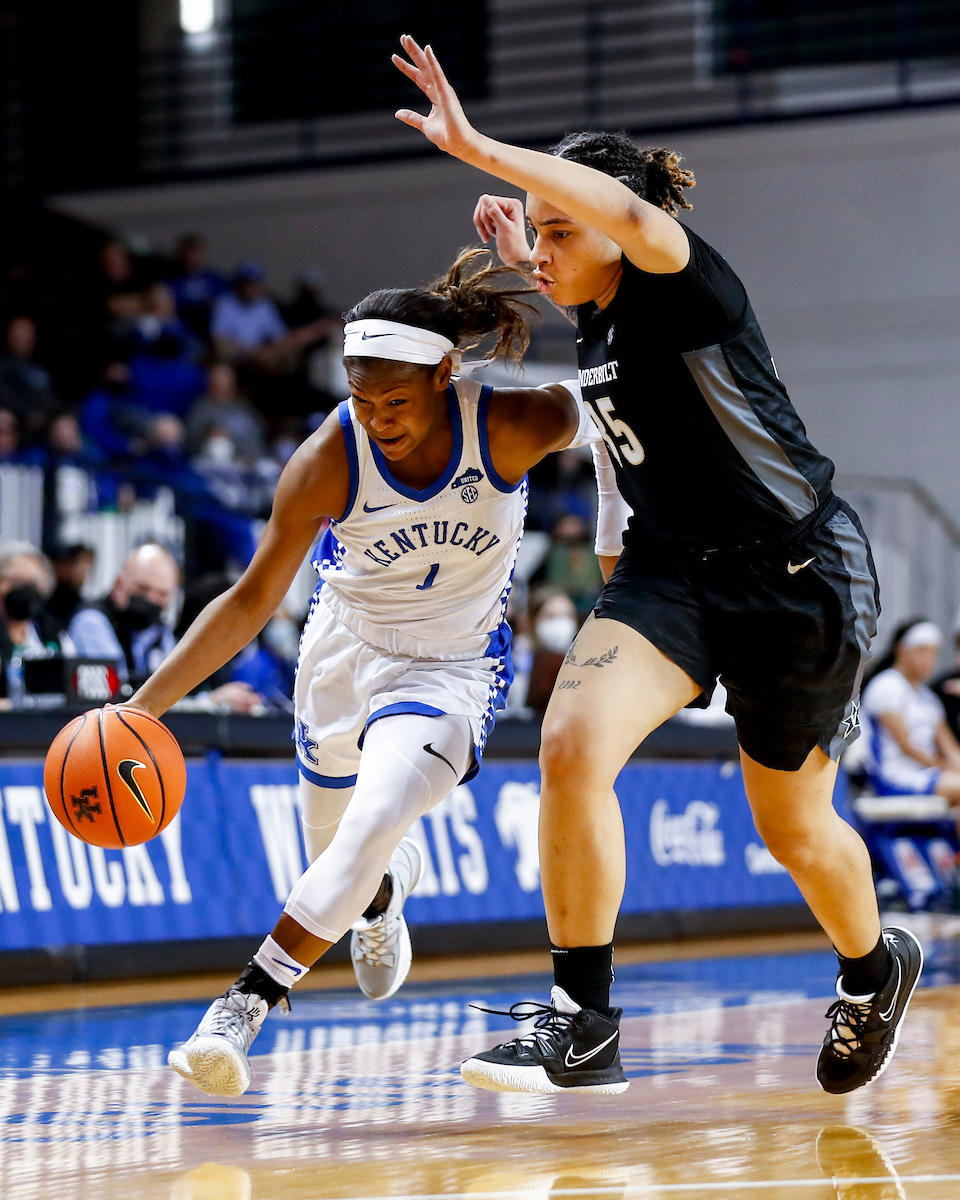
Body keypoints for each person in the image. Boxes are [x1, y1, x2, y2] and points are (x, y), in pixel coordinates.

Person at [390, 34, 922, 1097]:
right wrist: (536, 244)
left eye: (555, 229)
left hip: (796, 578)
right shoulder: (599, 316)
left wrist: (481, 148)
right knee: (572, 744)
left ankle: (873, 970)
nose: (537, 253)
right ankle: (583, 1021)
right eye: (533, 236)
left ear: (625, 228)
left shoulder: (685, 277)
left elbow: (625, 222)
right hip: (673, 572)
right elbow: (590, 280)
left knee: (792, 826)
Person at [121, 247, 599, 1099]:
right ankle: (381, 898)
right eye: (361, 397)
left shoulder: (515, 425)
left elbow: (632, 399)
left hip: (451, 668)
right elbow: (248, 600)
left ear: (446, 372)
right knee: (338, 850)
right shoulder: (326, 458)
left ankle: (241, 1008)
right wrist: (143, 709)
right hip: (342, 651)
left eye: (397, 400)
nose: (379, 417)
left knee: (373, 816)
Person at [862, 619, 960, 803]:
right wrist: (945, 767)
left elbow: (948, 746)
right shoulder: (886, 686)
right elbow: (907, 747)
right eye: (922, 651)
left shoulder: (927, 696)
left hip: (928, 773)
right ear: (902, 649)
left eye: (933, 653)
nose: (929, 660)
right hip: (895, 776)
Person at [68, 543, 179, 690]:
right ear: (119, 584)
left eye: (162, 594)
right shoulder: (92, 620)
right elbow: (115, 687)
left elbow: (174, 685)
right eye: (143, 588)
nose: (152, 599)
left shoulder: (160, 630)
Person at [0, 543, 74, 708]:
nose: (26, 590)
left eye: (33, 583)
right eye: (17, 581)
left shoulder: (54, 636)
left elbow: (72, 691)